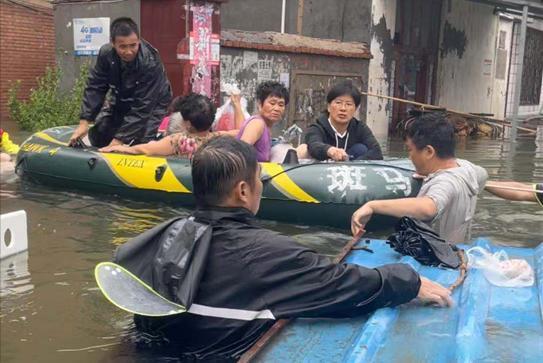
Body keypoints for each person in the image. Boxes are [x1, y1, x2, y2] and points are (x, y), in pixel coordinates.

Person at [130, 136, 452, 361]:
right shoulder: (265, 254)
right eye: (259, 179)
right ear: (244, 191)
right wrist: (409, 281)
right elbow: (342, 285)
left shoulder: (164, 236)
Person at [351, 112, 488, 244]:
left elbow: (428, 208)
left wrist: (372, 206)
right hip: (458, 250)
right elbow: (483, 174)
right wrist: (430, 173)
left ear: (429, 152)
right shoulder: (468, 169)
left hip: (438, 257)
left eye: (410, 150)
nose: (409, 157)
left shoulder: (446, 182)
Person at [69, 17, 172, 148]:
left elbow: (143, 107)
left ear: (139, 40)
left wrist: (119, 141)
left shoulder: (150, 61)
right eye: (122, 46)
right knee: (101, 132)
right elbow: (96, 86)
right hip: (122, 94)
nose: (129, 52)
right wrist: (85, 121)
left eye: (133, 45)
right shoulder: (106, 54)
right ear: (113, 43)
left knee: (141, 140)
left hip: (153, 101)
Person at [99, 93, 215, 158]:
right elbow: (234, 132)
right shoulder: (216, 137)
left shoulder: (177, 141)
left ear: (188, 123)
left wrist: (118, 148)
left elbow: (143, 149)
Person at [304, 80, 383, 161]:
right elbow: (314, 145)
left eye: (348, 104)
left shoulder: (360, 128)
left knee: (360, 149)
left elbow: (377, 152)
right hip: (324, 168)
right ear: (328, 107)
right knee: (303, 150)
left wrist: (350, 163)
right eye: (338, 103)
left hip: (350, 167)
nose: (343, 108)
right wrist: (330, 151)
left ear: (355, 109)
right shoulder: (317, 127)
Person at [237, 81, 289, 162]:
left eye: (281, 105)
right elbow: (240, 154)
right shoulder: (257, 124)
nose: (277, 108)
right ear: (259, 104)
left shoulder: (266, 127)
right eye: (272, 103)